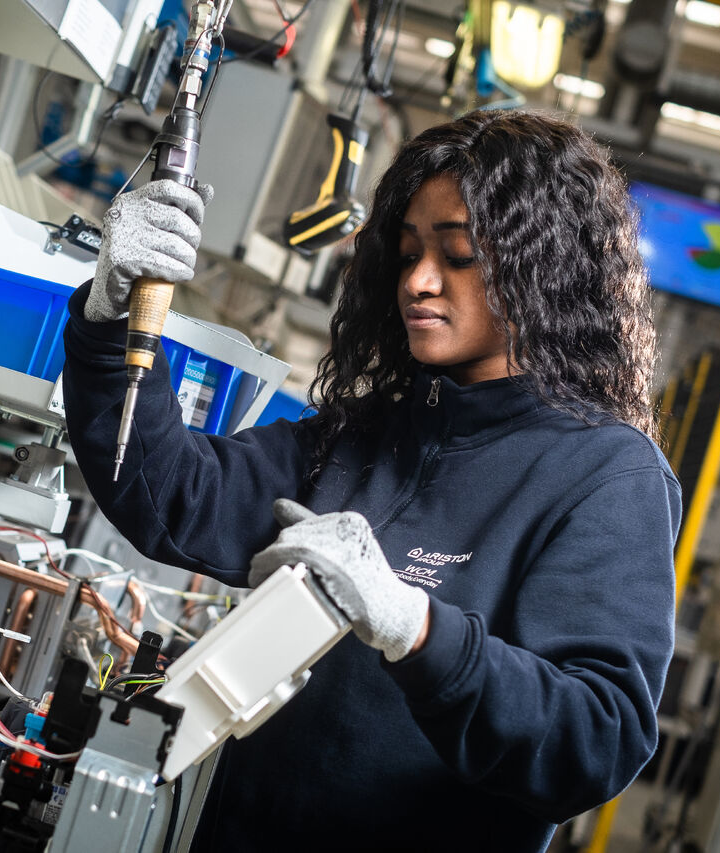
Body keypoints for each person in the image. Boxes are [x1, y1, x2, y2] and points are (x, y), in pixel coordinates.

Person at [61, 109, 680, 852]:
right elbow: (167, 494)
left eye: (458, 256)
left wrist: (414, 626)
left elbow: (596, 739)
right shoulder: (367, 434)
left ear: (542, 267)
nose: (418, 281)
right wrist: (109, 313)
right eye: (410, 251)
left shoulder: (605, 473)